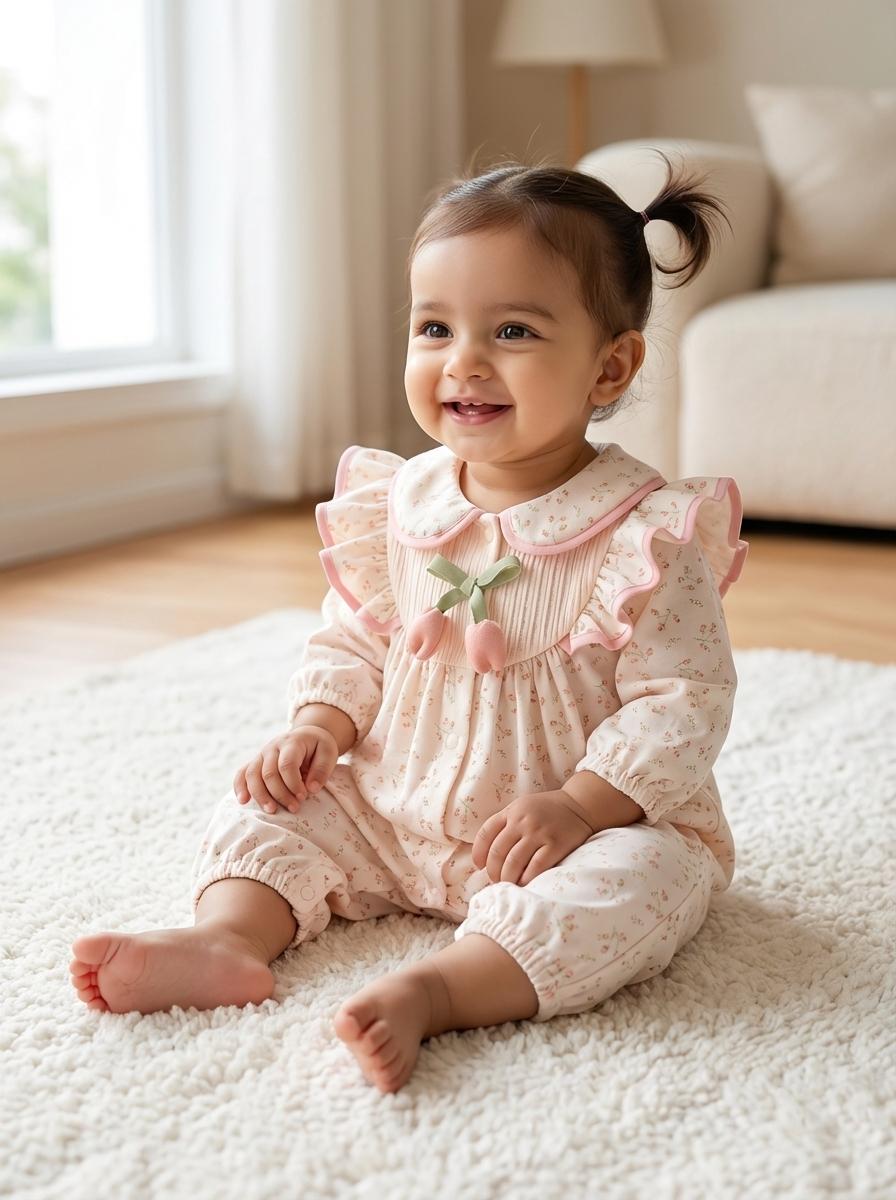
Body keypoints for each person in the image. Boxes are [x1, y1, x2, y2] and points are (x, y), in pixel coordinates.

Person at [69, 151, 749, 1096]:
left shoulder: (644, 533)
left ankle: (442, 988)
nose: (462, 360)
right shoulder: (401, 502)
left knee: (648, 884)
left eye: (512, 330)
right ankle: (228, 936)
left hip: (571, 831)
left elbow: (685, 701)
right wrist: (319, 729)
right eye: (435, 327)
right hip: (397, 801)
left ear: (611, 365)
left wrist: (582, 806)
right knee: (278, 803)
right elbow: (355, 637)